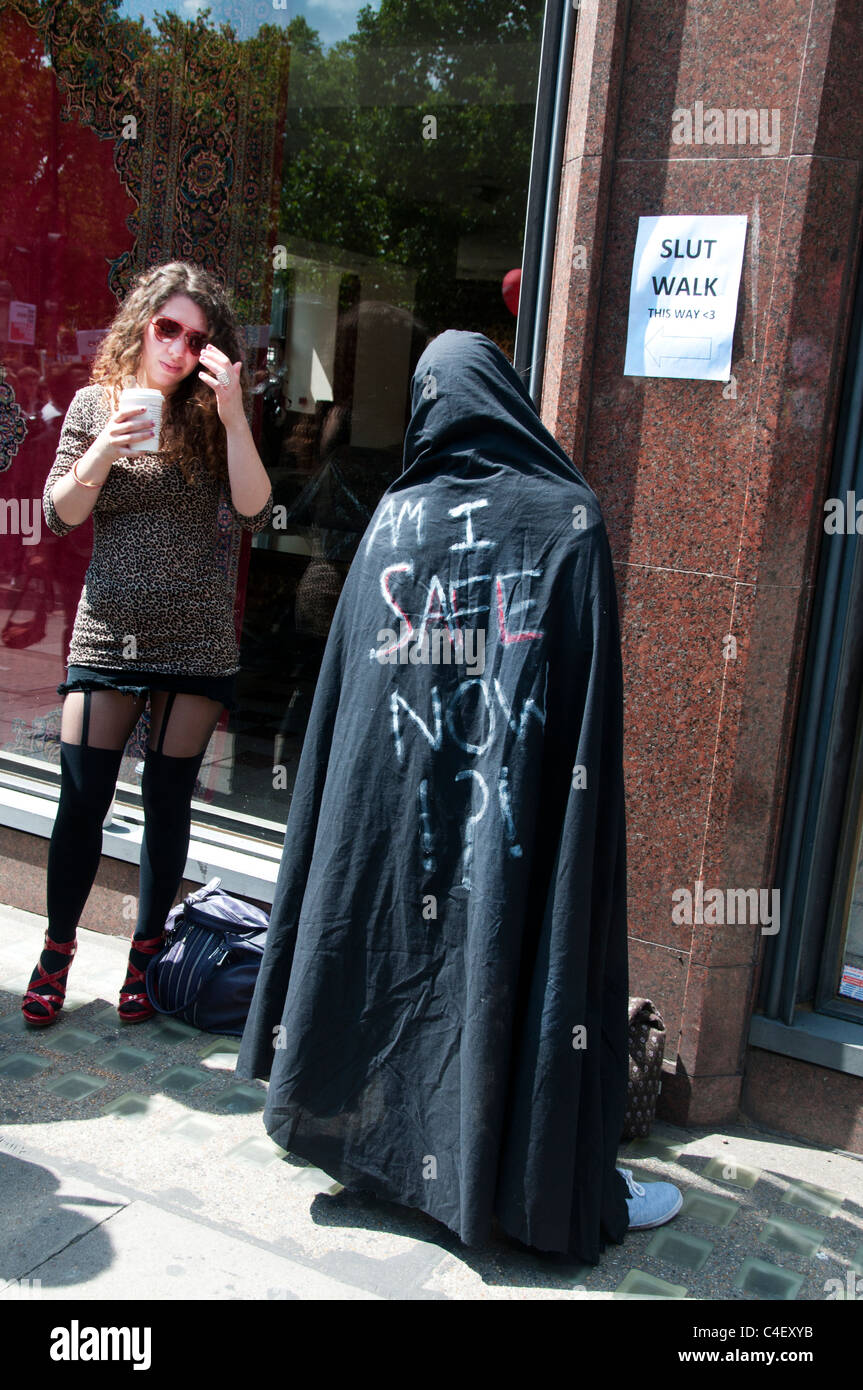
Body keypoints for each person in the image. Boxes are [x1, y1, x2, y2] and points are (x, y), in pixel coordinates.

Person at [237, 330, 680, 1262]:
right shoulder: (569, 517)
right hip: (509, 819)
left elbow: (346, 722)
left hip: (398, 825)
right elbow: (580, 703)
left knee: (397, 958)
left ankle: (383, 1152)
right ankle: (522, 1178)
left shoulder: (395, 517)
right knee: (496, 960)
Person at [22, 261, 272, 1027]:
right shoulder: (96, 403)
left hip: (194, 643)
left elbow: (253, 508)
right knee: (80, 803)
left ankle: (144, 959)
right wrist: (104, 446)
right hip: (107, 634)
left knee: (168, 809)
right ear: (141, 326)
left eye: (196, 338)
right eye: (168, 328)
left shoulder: (212, 415)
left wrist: (233, 417)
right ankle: (55, 954)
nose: (179, 347)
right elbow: (59, 515)